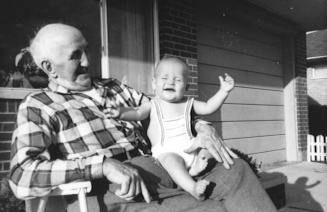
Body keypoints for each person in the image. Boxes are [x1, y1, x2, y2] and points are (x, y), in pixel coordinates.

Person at [9, 23, 277, 212]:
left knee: (237, 170)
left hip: (168, 170)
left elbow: (165, 108)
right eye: (75, 56)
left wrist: (201, 125)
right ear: (49, 68)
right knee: (209, 210)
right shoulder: (39, 105)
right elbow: (21, 174)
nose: (88, 62)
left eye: (86, 51)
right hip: (117, 194)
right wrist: (103, 166)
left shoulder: (113, 88)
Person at [105, 57, 234, 200]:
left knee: (208, 147)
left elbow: (209, 107)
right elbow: (136, 113)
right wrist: (121, 112)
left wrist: (224, 91)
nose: (170, 82)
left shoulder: (189, 103)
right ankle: (193, 187)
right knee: (171, 161)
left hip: (192, 148)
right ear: (154, 84)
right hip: (167, 152)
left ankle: (197, 165)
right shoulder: (152, 105)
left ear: (186, 87)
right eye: (164, 78)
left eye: (178, 80)